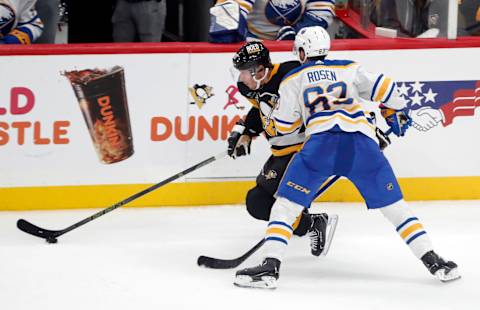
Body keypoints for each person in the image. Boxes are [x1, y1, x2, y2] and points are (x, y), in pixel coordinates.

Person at [234, 26, 460, 289]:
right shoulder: (348, 67)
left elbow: (284, 126)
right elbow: (387, 88)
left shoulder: (293, 78)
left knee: (285, 206)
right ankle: (434, 261)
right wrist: (391, 113)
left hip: (320, 146)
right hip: (363, 144)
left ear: (303, 52)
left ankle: (270, 267)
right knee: (396, 209)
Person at [228, 41, 339, 257]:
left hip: (306, 150)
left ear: (259, 70)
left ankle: (309, 223)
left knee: (259, 202)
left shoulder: (293, 74)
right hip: (281, 152)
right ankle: (311, 222)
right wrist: (247, 133)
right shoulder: (249, 87)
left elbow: (330, 96)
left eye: (244, 72)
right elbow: (261, 109)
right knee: (259, 200)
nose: (240, 78)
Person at [209, 0, 335, 43]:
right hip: (253, 43)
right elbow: (227, 16)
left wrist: (297, 36)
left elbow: (320, 15)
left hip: (296, 50)